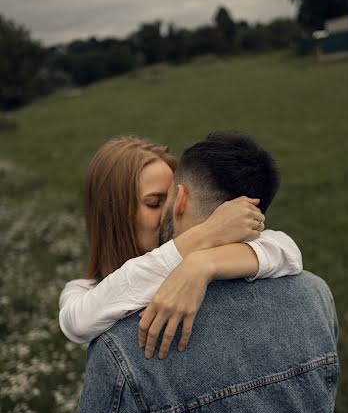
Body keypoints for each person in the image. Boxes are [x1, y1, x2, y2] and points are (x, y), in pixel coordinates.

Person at [65, 131, 348, 413]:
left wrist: (201, 264)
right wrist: (195, 253)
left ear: (183, 199)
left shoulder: (127, 345)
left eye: (165, 199)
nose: (163, 217)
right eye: (149, 202)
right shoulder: (314, 294)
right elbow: (77, 315)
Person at [58, 135, 302, 355]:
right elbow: (77, 323)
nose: (172, 210)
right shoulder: (81, 291)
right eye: (154, 203)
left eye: (173, 197)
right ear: (113, 215)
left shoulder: (198, 259)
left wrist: (202, 263)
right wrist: (206, 233)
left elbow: (285, 249)